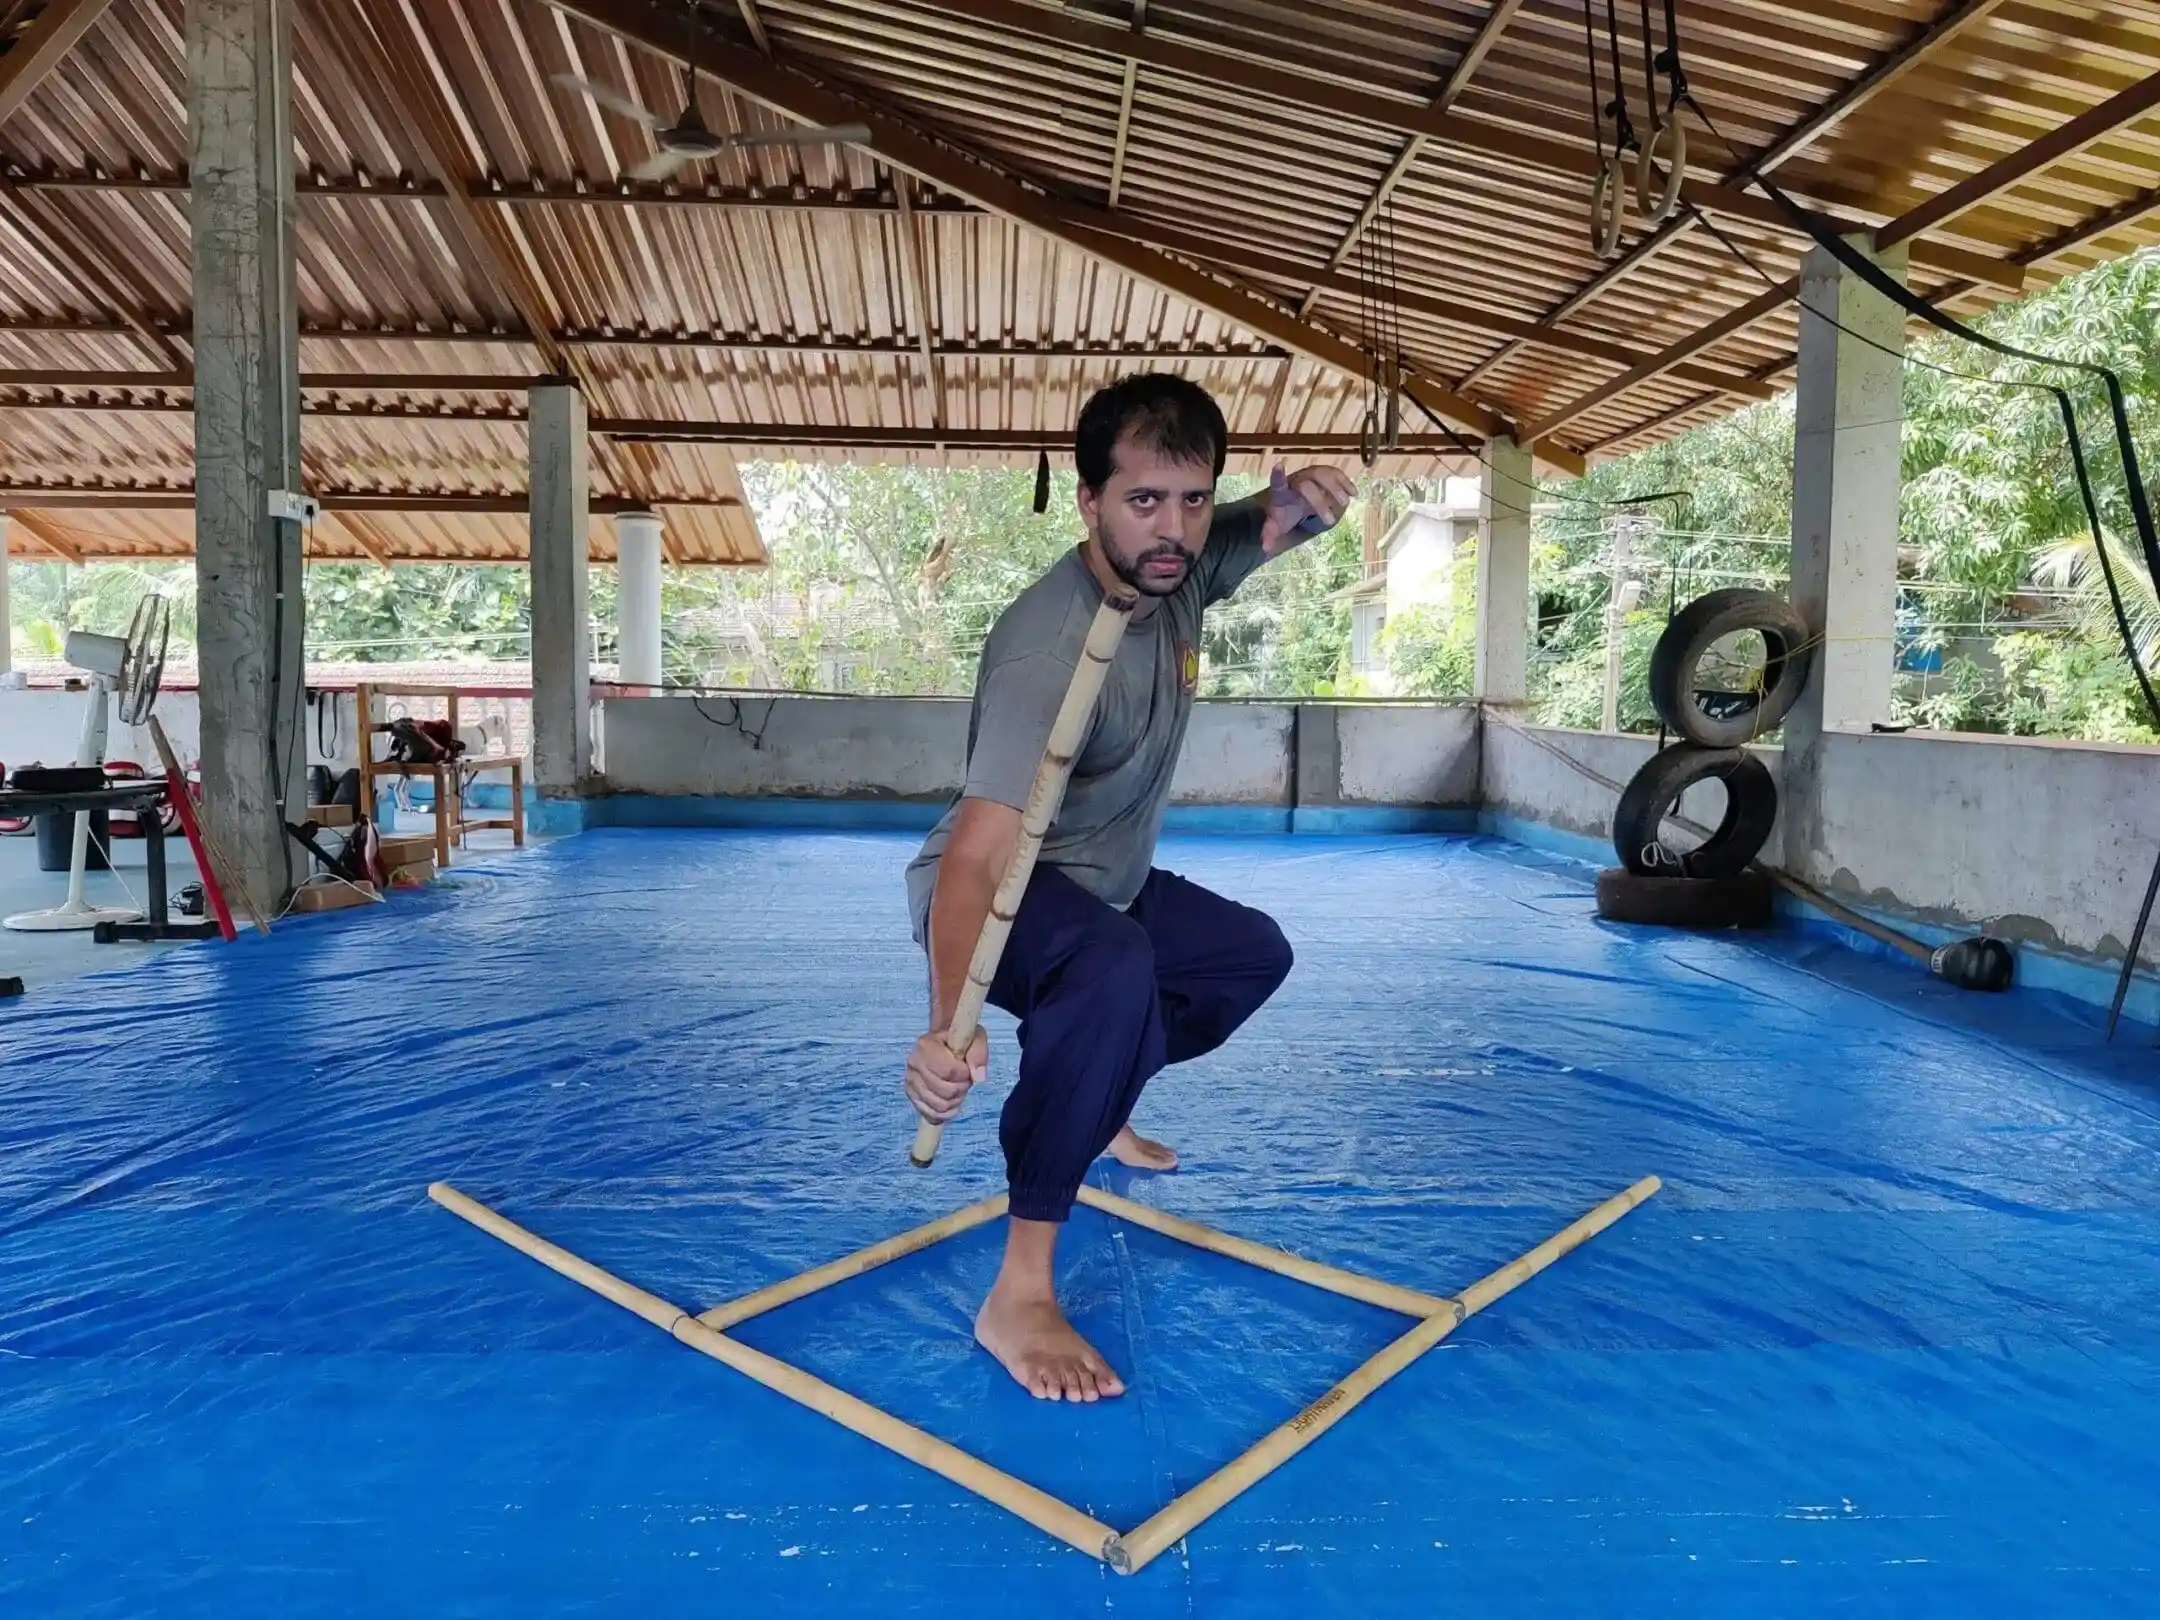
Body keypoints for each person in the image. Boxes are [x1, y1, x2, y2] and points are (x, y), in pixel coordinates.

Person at [901, 374, 1354, 1402]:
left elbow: (1272, 526)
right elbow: (975, 856)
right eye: (1144, 500)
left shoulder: (1175, 572)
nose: (1175, 526)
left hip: (1106, 879)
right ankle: (1017, 1293)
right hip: (1001, 893)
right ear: (1090, 502)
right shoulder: (1048, 645)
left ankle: (1096, 1090)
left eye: (1192, 499)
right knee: (1112, 968)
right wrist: (949, 1028)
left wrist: (1309, 507)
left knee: (1248, 955)